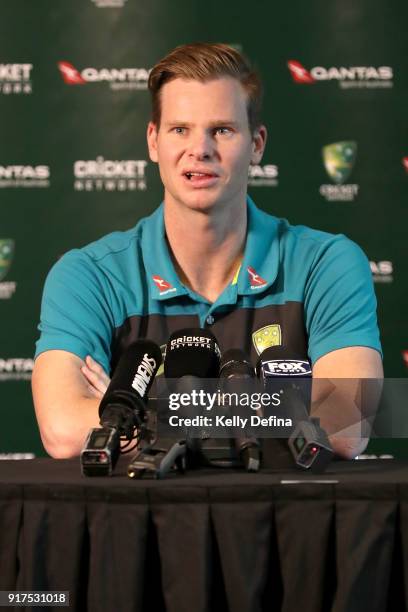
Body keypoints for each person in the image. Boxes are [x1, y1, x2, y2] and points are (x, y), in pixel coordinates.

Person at [32, 43, 383, 460]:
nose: (199, 149)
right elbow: (60, 429)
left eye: (222, 129)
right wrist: (283, 414)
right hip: (137, 523)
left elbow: (344, 427)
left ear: (257, 144)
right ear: (153, 141)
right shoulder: (87, 275)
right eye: (180, 129)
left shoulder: (328, 264)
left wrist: (127, 410)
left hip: (284, 522)